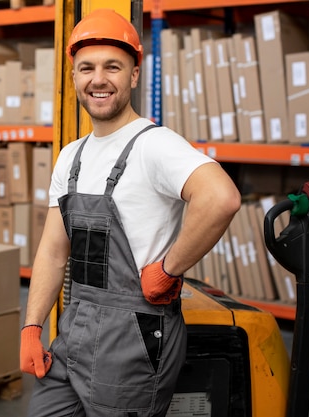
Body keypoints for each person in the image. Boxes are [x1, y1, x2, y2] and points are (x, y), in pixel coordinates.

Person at [20, 8, 241, 417]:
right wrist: (32, 325)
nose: (98, 79)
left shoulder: (153, 145)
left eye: (113, 67)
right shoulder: (72, 156)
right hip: (74, 330)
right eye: (86, 68)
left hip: (135, 337)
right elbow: (53, 252)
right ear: (73, 78)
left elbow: (220, 197)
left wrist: (168, 269)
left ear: (134, 75)